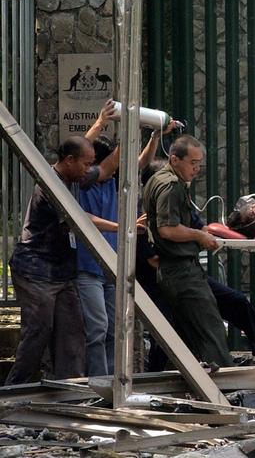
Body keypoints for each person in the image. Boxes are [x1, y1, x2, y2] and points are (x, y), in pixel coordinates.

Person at [137, 161, 255, 368]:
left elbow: (205, 229)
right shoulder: (145, 221)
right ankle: (158, 375)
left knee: (237, 302)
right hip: (165, 280)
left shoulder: (180, 203)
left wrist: (240, 229)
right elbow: (155, 260)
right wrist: (191, 240)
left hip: (190, 272)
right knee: (169, 331)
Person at [75, 103, 175, 377]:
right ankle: (97, 379)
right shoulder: (80, 185)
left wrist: (154, 135)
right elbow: (85, 154)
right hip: (88, 267)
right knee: (96, 329)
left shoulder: (112, 184)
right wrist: (108, 125)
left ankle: (109, 380)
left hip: (111, 269)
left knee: (112, 329)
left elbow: (140, 162)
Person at [6, 137, 100, 384]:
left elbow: (107, 167)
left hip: (61, 272)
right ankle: (14, 391)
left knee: (71, 332)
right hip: (36, 271)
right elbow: (79, 217)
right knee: (38, 331)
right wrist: (121, 227)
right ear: (69, 161)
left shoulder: (73, 176)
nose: (88, 170)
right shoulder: (50, 186)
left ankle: (70, 389)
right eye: (86, 164)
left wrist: (150, 135)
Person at [142, 135, 233, 368]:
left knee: (187, 336)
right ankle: (226, 387)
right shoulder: (170, 185)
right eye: (192, 162)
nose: (197, 168)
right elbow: (168, 229)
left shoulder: (160, 180)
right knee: (211, 329)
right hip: (180, 270)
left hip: (173, 270)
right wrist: (198, 235)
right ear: (174, 159)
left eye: (199, 163)